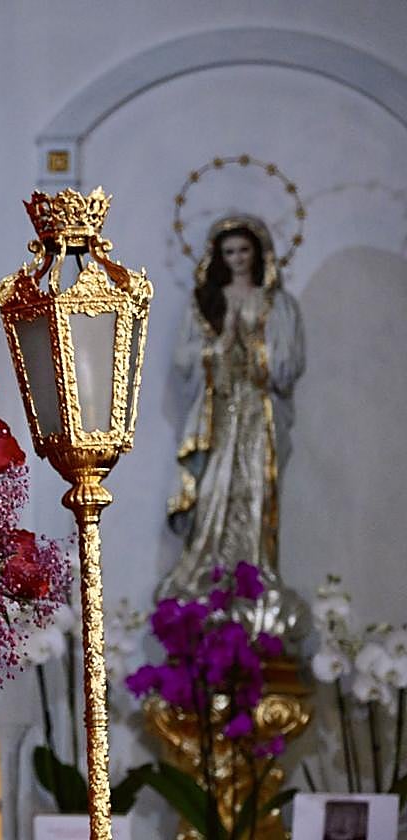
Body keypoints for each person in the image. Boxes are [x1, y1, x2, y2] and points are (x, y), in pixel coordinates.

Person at [160, 215, 306, 637]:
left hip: (258, 415)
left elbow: (287, 365)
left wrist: (258, 345)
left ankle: (254, 579)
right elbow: (183, 359)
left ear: (258, 254)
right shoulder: (205, 303)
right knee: (213, 493)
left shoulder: (277, 304)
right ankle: (212, 576)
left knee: (256, 493)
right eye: (229, 252)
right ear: (218, 258)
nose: (238, 259)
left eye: (244, 250)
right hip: (218, 414)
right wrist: (217, 345)